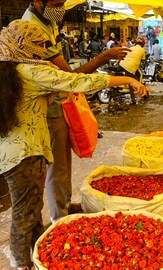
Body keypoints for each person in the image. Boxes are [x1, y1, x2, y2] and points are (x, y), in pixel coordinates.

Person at [0, 19, 151, 270]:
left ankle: (38, 251)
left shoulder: (9, 71)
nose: (42, 51)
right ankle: (20, 261)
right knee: (25, 212)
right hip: (25, 154)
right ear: (25, 47)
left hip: (16, 152)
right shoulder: (30, 72)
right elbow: (79, 82)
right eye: (38, 46)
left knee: (32, 206)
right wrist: (127, 81)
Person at [22, 0, 132, 224]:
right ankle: (59, 219)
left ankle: (62, 203)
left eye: (63, 2)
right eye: (56, 3)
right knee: (55, 167)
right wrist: (104, 57)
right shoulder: (32, 29)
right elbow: (72, 78)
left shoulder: (47, 20)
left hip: (58, 103)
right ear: (37, 1)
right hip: (48, 108)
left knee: (62, 162)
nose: (61, 7)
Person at [117, 39, 146, 104]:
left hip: (122, 64)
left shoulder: (132, 47)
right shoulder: (142, 50)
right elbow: (143, 59)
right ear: (142, 45)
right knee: (131, 82)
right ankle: (133, 100)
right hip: (130, 68)